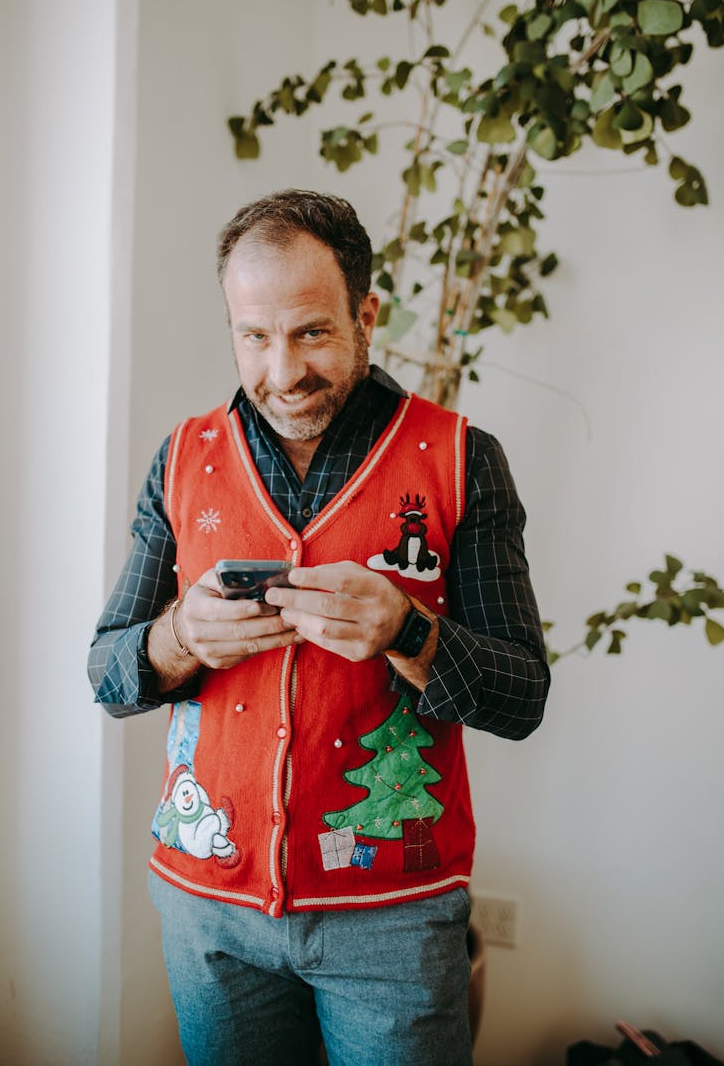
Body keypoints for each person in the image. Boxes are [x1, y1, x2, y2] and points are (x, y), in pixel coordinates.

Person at [88, 189, 550, 1066]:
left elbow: (523, 693)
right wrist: (178, 635)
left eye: (310, 333)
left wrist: (410, 632)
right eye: (253, 336)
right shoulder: (183, 460)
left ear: (365, 314)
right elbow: (108, 672)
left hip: (396, 923)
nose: (280, 371)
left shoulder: (460, 459)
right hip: (209, 913)